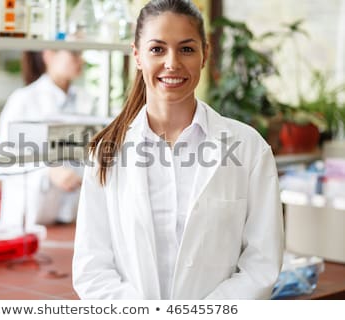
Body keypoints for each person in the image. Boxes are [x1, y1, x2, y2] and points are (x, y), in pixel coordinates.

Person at [72, 0, 284, 299]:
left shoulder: (248, 148)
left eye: (186, 49)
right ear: (137, 55)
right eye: (157, 49)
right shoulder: (108, 151)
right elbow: (92, 267)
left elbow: (261, 263)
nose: (172, 63)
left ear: (204, 54)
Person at [0, 50, 95, 227]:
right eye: (74, 54)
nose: (81, 60)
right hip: (29, 217)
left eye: (81, 53)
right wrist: (48, 171)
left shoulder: (86, 100)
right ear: (48, 55)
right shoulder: (24, 100)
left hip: (71, 214)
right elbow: (1, 159)